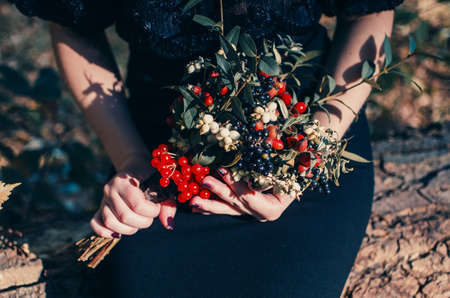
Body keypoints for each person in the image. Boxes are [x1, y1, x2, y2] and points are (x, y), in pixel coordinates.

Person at [9, 0, 403, 297]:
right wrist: (129, 159)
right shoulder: (148, 165)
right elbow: (74, 25)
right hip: (163, 159)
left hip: (304, 133)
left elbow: (369, 13)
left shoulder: (307, 147)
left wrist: (308, 153)